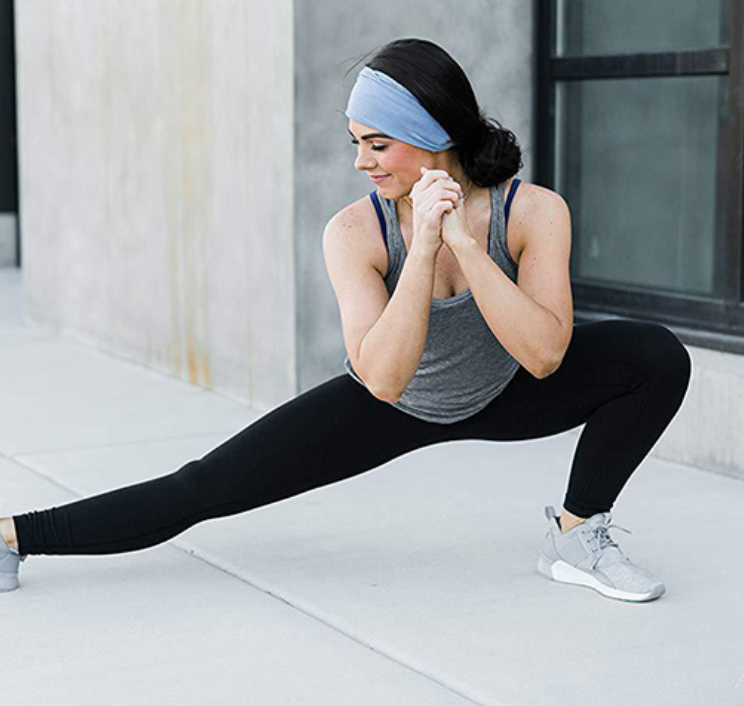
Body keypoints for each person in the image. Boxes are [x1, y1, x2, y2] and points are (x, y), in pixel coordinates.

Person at [0, 38, 691, 602]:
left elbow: (543, 355)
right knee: (202, 486)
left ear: (433, 137)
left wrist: (465, 246)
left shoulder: (534, 211)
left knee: (655, 356)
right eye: (356, 142)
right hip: (394, 404)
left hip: (509, 389)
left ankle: (575, 535)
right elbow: (384, 379)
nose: (361, 162)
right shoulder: (354, 233)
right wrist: (424, 246)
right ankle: (10, 536)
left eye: (379, 144)